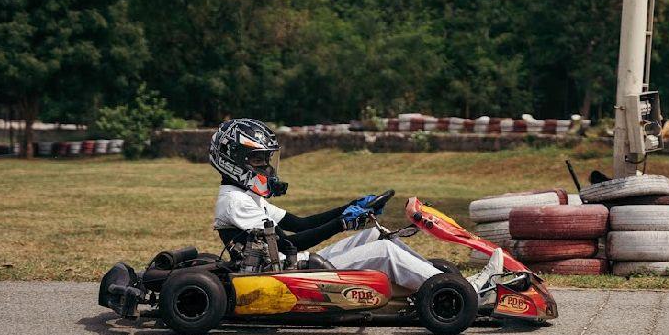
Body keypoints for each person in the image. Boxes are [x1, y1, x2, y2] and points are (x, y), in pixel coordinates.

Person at [209, 118, 502, 291]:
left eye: (266, 159)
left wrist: (350, 207)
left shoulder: (248, 197)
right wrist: (342, 223)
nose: (266, 167)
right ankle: (465, 289)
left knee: (376, 235)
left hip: (294, 265)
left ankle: (440, 280)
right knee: (385, 251)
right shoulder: (235, 202)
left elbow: (299, 224)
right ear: (233, 161)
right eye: (259, 160)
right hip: (286, 273)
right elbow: (289, 245)